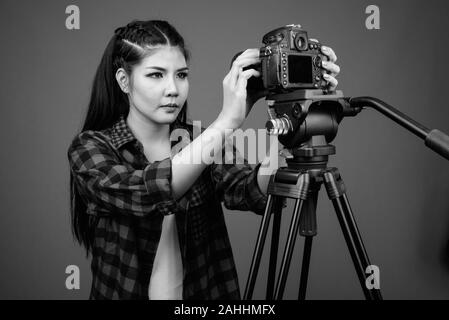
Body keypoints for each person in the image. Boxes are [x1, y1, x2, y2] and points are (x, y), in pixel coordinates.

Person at [67, 20, 340, 300]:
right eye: (156, 75)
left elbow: (249, 190)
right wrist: (226, 122)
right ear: (124, 80)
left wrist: (297, 123)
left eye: (181, 75)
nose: (173, 89)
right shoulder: (90, 147)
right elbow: (150, 191)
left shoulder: (200, 140)